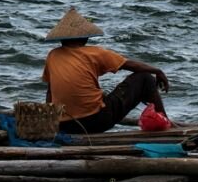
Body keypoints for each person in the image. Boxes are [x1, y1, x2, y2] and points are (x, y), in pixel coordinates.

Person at [41, 7, 171, 134]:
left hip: (64, 126)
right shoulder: (95, 53)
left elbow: (50, 93)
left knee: (101, 96)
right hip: (96, 121)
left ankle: (161, 120)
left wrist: (51, 123)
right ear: (86, 37)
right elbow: (131, 65)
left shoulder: (53, 55)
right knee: (145, 78)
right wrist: (158, 71)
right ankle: (165, 125)